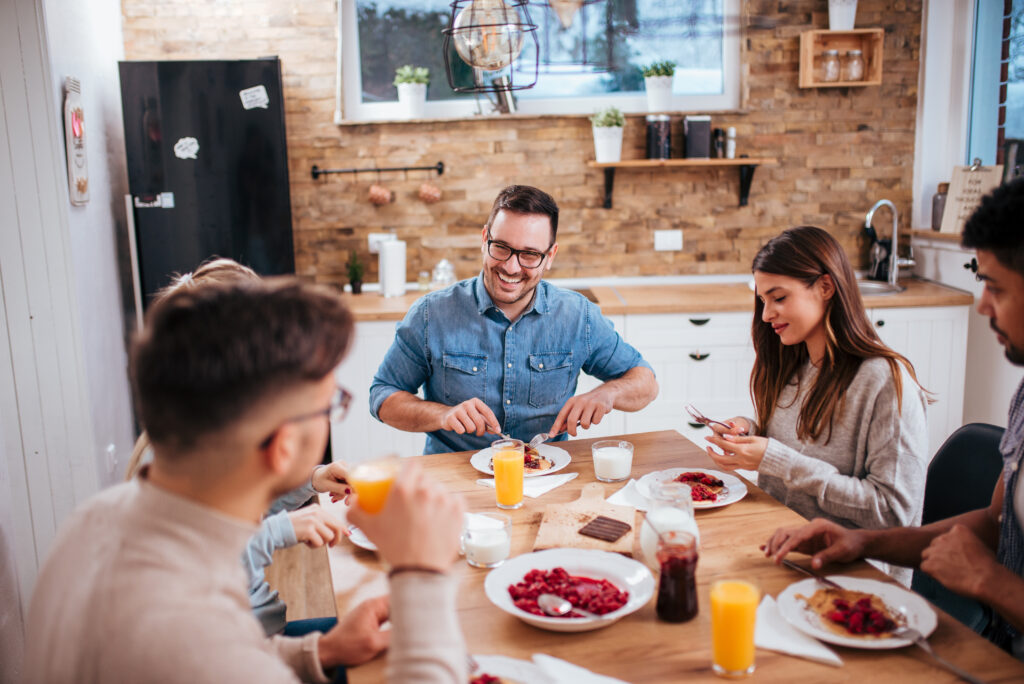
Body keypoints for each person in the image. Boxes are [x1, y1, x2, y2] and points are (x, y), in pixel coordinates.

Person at [24, 279, 467, 683]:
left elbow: (230, 651)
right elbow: (208, 657)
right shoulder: (190, 642)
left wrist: (322, 650)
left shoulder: (96, 516)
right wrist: (421, 573)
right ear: (284, 446)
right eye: (331, 403)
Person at [763, 179, 1024, 658]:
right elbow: (998, 522)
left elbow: (896, 506)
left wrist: (989, 580)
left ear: (825, 288)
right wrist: (857, 539)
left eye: (994, 285)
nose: (982, 303)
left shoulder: (885, 379)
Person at [123, 256, 352, 637]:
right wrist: (281, 529)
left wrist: (313, 479)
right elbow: (201, 552)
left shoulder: (202, 434)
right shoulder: (171, 460)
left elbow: (239, 510)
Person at [370, 184, 658, 454]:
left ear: (550, 256)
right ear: (485, 239)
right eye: (501, 247)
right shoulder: (431, 314)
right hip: (454, 482)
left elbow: (645, 382)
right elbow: (383, 396)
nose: (511, 266)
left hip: (547, 474)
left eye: (530, 254)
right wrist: (443, 415)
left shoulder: (577, 316)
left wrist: (608, 393)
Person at [705, 226, 929, 534]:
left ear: (825, 287)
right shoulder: (794, 364)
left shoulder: (885, 382)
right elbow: (801, 450)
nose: (767, 314)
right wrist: (749, 433)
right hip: (779, 540)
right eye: (763, 301)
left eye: (779, 298)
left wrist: (775, 460)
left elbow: (892, 513)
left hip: (850, 572)